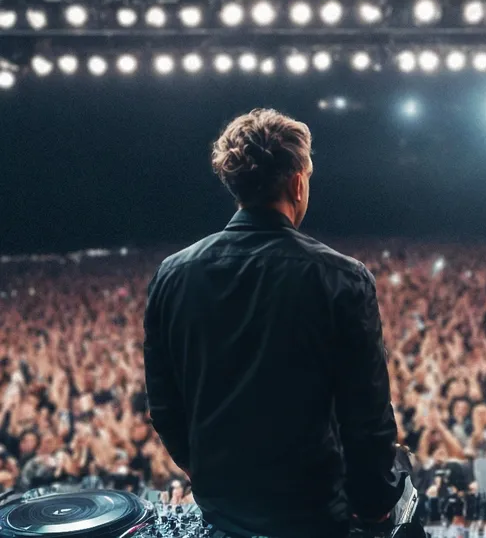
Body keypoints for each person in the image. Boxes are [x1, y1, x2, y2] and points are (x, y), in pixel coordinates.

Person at [143, 109, 404, 537]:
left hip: (222, 510)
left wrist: (207, 476)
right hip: (316, 513)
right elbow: (367, 416)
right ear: (298, 182)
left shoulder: (172, 274)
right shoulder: (341, 277)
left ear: (235, 186)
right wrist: (375, 509)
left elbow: (166, 407)